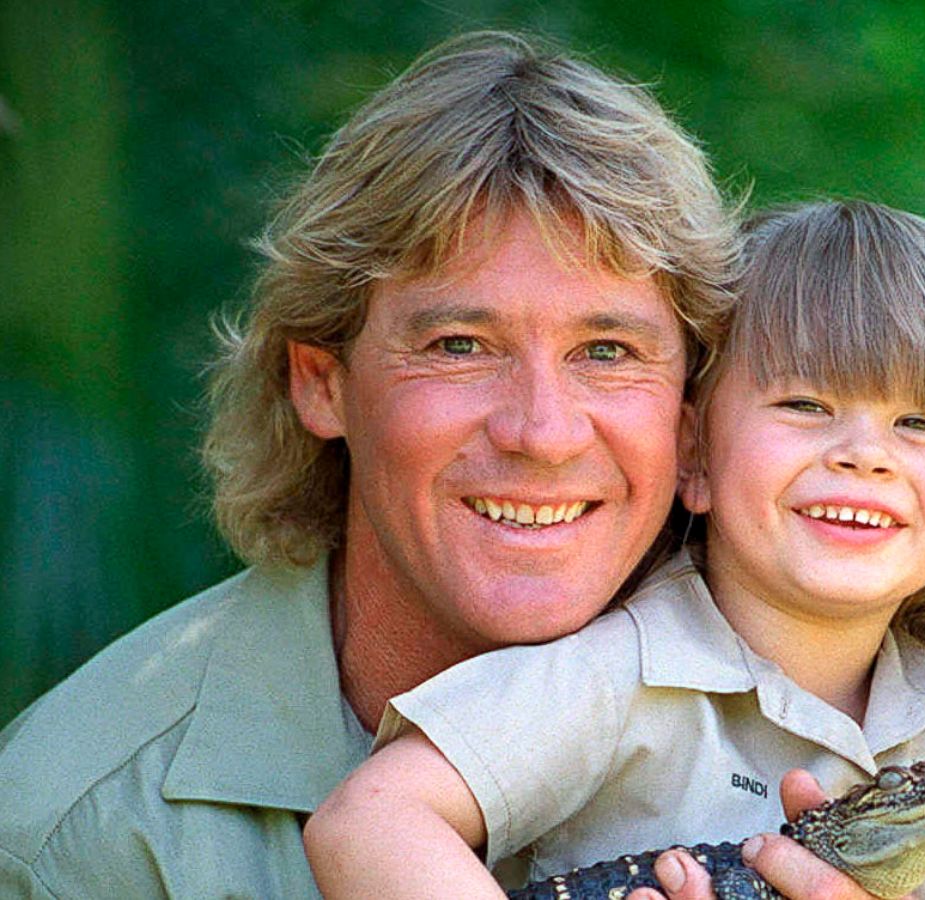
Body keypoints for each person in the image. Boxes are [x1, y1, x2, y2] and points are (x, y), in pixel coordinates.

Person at [0, 31, 737, 898]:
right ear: (324, 384)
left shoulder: (851, 739)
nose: (543, 432)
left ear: (691, 418)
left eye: (607, 351)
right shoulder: (75, 836)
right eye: (459, 345)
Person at [303, 200, 925, 900]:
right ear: (692, 453)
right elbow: (368, 821)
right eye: (804, 403)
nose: (864, 455)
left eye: (919, 422)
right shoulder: (615, 674)